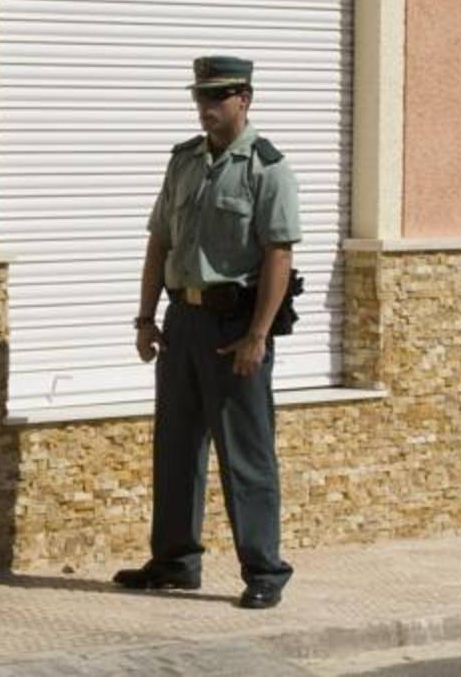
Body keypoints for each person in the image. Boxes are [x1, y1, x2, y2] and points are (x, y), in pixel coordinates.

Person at [112, 56, 298, 610]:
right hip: (182, 320)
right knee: (175, 446)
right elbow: (159, 242)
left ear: (245, 98)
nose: (206, 109)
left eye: (217, 98)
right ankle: (174, 560)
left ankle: (264, 569)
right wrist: (145, 318)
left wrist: (258, 336)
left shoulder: (267, 168)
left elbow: (278, 256)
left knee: (246, 453)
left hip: (233, 326)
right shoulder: (185, 162)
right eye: (200, 98)